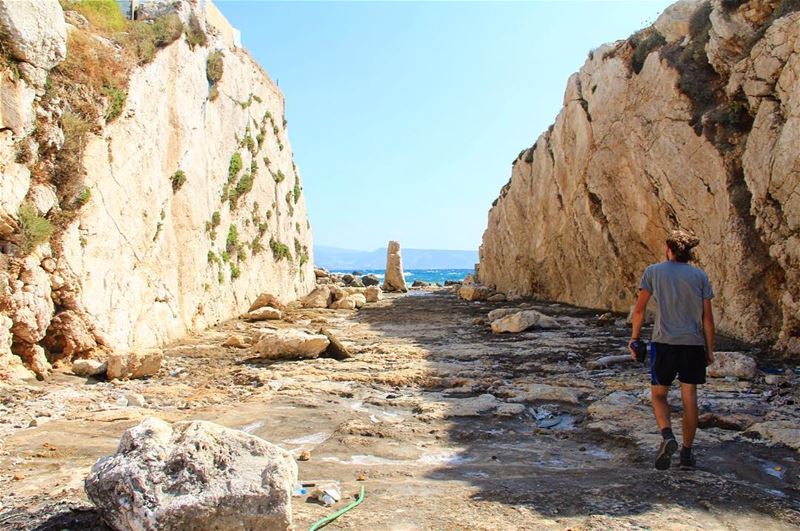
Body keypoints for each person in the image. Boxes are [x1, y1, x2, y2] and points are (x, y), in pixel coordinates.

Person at [629, 230, 715, 471]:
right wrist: (710, 349)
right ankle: (687, 453)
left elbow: (639, 310)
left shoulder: (653, 272)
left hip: (663, 343)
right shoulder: (700, 276)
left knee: (658, 395)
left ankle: (667, 436)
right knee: (690, 398)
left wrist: (635, 339)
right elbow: (707, 319)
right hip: (693, 344)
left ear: (669, 248)